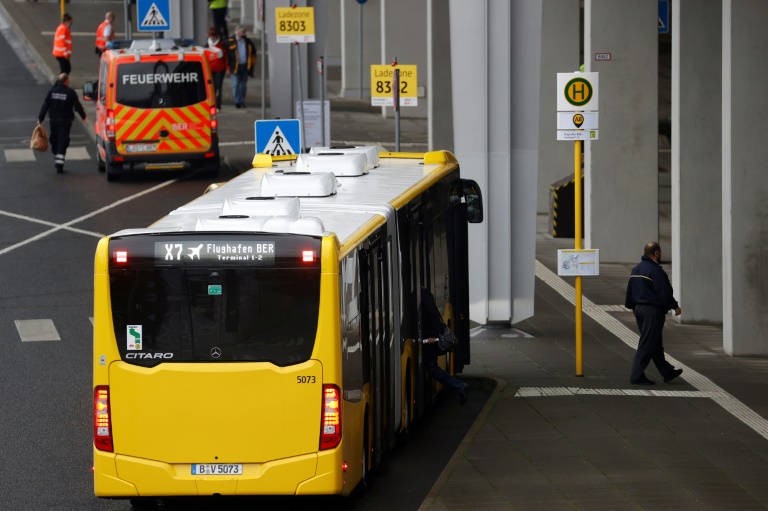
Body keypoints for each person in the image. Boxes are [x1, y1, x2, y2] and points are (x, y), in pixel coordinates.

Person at [625, 242, 684, 385]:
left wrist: (633, 308)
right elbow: (664, 292)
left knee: (655, 342)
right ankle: (636, 376)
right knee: (647, 343)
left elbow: (630, 291)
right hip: (652, 311)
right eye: (661, 252)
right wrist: (674, 306)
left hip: (639, 309)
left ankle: (667, 371)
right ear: (656, 253)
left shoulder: (636, 269)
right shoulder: (655, 270)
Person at [420, 287, 469, 405]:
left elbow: (433, 317)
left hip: (429, 338)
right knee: (431, 367)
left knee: (431, 367)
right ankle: (459, 386)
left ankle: (460, 386)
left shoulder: (421, 295)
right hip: (429, 337)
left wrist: (432, 336)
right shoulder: (424, 294)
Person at [38, 73, 86, 173]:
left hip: (54, 121)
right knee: (62, 140)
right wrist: (83, 116)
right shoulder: (70, 92)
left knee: (54, 139)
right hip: (65, 121)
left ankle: (57, 157)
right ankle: (59, 161)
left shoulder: (52, 92)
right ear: (66, 81)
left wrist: (40, 119)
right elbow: (77, 106)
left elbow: (45, 105)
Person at [225, 26, 256, 109]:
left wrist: (252, 67)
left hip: (245, 66)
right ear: (237, 33)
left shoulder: (248, 42)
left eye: (244, 32)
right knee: (235, 85)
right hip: (234, 67)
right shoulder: (230, 42)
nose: (243, 34)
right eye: (242, 32)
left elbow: (253, 54)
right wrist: (227, 68)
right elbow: (226, 56)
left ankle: (241, 101)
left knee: (243, 85)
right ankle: (237, 101)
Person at [206, 27, 227, 111]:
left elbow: (226, 57)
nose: (212, 37)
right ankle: (211, 105)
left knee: (218, 87)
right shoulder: (207, 45)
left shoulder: (222, 45)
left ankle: (218, 105)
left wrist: (228, 68)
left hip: (220, 69)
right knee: (211, 88)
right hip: (210, 69)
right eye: (210, 35)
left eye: (213, 35)